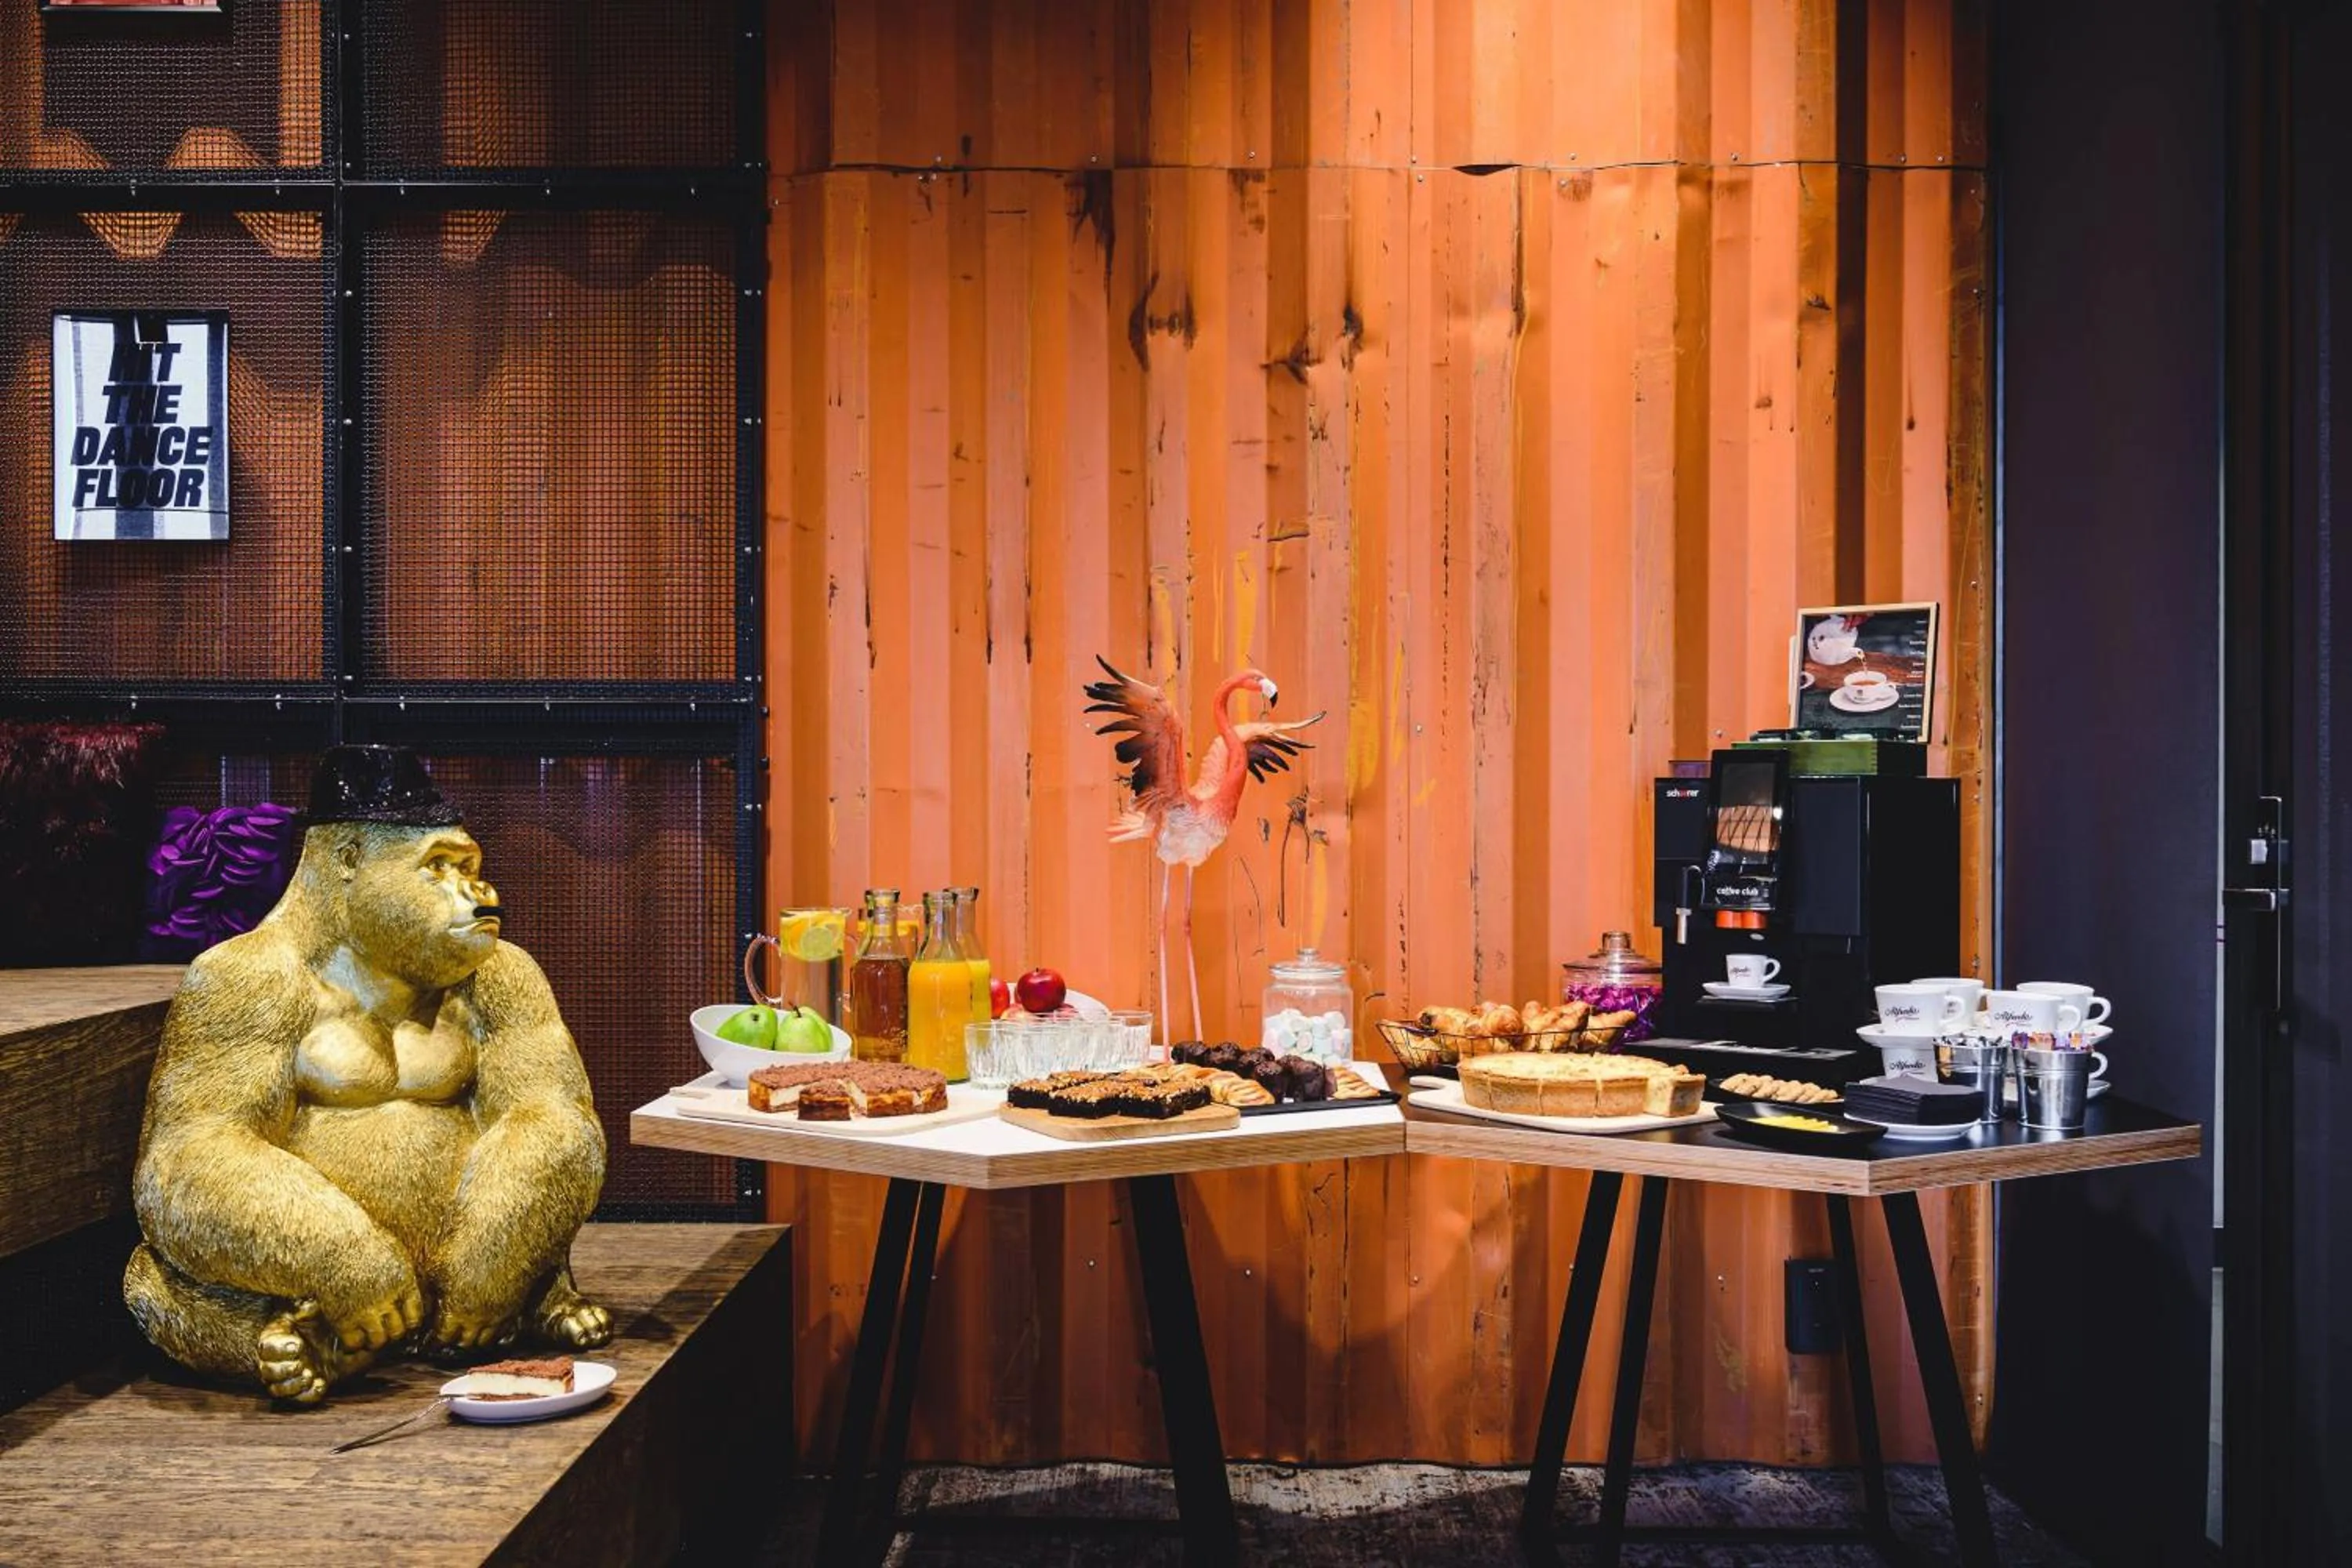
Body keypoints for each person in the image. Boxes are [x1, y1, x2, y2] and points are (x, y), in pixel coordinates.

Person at [124, 746, 610, 1403]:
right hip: (326, 1284)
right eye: (437, 865)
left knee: (554, 1144)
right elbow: (184, 1163)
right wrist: (343, 1257)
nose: (477, 891)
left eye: (470, 866)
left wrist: (492, 1263)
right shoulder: (248, 978)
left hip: (471, 1286)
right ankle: (284, 1338)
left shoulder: (500, 978)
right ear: (349, 860)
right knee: (152, 1286)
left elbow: (557, 1124)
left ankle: (514, 1297)